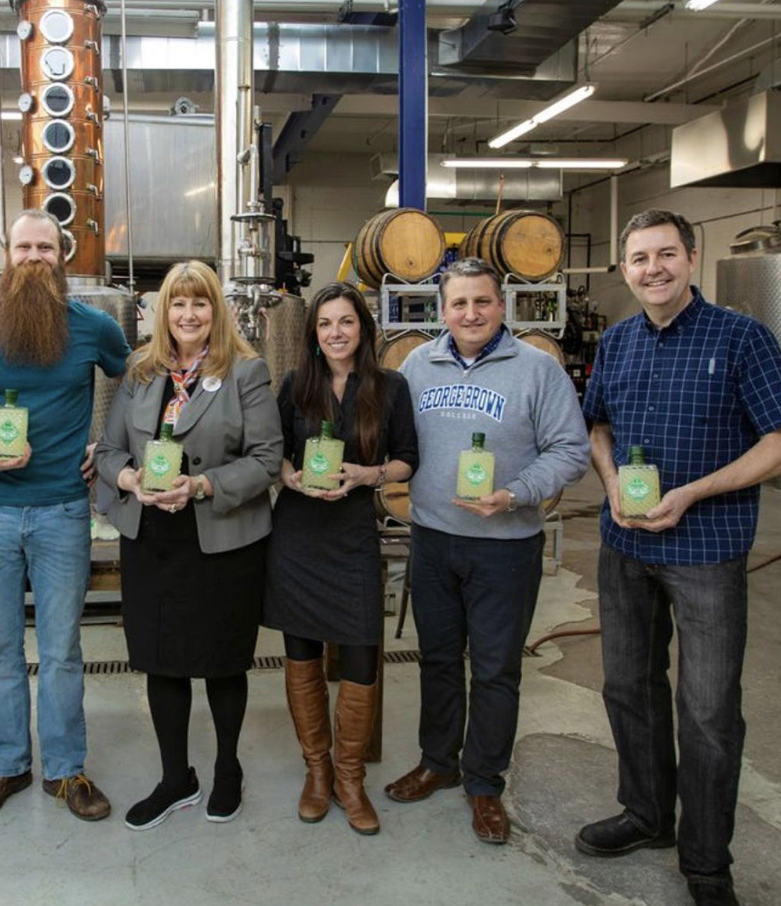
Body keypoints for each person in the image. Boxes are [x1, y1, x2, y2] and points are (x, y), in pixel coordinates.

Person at [578, 209, 781, 906]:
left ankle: (707, 866)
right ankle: (647, 815)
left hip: (706, 547)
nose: (653, 269)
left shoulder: (743, 338)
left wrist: (692, 494)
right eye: (639, 258)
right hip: (623, 545)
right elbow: (598, 426)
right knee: (628, 687)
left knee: (708, 713)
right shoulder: (615, 340)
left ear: (692, 257)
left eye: (666, 254)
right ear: (625, 269)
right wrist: (611, 481)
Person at [0, 209, 131, 822]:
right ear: (7, 254)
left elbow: (138, 387)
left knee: (63, 649)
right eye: (24, 247)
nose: (35, 257)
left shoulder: (93, 326)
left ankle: (66, 771)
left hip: (63, 512)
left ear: (62, 255)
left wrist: (108, 446)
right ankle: (8, 764)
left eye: (46, 247)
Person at [390, 258, 588, 845]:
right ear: (442, 310)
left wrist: (515, 494)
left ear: (502, 306)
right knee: (439, 659)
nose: (470, 314)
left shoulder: (537, 371)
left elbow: (570, 451)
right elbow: (399, 442)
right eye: (458, 304)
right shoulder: (416, 364)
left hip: (507, 546)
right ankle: (439, 762)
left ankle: (484, 782)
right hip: (432, 539)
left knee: (497, 669)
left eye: (482, 302)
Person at [94, 260, 283, 830]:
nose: (189, 315)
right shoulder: (140, 370)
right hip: (153, 538)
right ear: (162, 313)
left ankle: (228, 770)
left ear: (216, 310)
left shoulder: (246, 371)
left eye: (200, 303)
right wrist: (131, 482)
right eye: (178, 304)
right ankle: (176, 777)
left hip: (220, 539)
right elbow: (108, 452)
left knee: (223, 662)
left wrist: (201, 485)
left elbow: (267, 459)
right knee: (162, 663)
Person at [264, 282, 418, 836]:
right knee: (301, 656)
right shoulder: (293, 385)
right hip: (298, 537)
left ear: (363, 329)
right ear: (313, 333)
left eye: (346, 322)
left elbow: (407, 461)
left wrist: (367, 474)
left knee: (360, 655)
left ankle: (350, 777)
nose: (335, 332)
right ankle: (318, 772)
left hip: (353, 535)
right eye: (325, 323)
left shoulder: (390, 387)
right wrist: (293, 478)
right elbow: (273, 452)